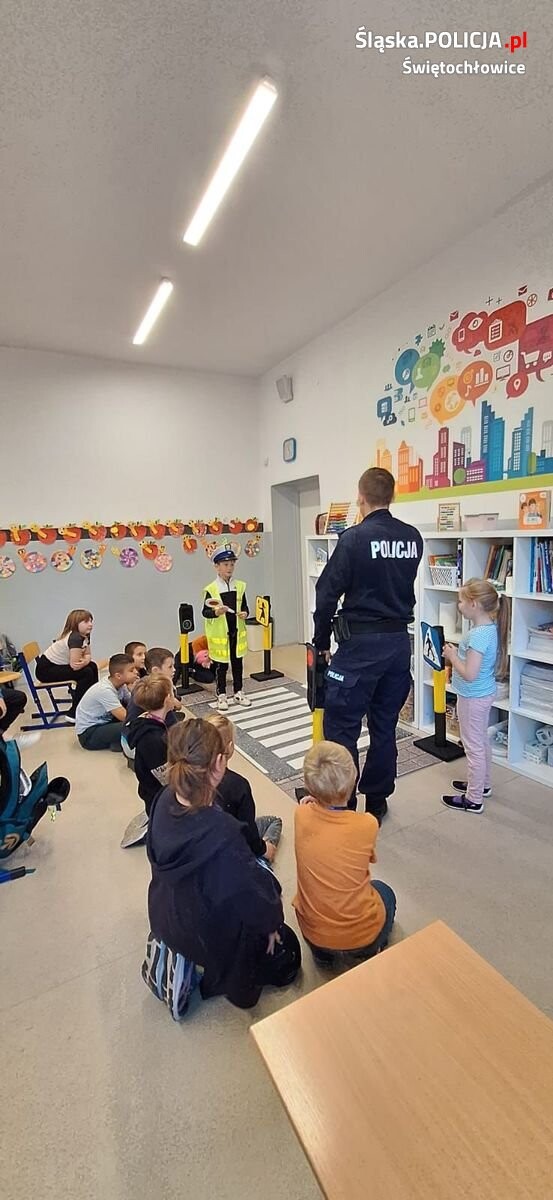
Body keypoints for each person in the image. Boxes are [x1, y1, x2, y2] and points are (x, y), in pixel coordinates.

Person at [146, 718, 301, 1009]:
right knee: (289, 954)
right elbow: (256, 900)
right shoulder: (224, 833)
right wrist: (272, 924)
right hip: (208, 934)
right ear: (220, 762)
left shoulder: (164, 799)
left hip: (166, 914)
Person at [313, 468, 423, 822]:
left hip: (359, 648)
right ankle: (377, 799)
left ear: (360, 497)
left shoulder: (354, 539)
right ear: (392, 496)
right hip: (397, 645)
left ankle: (343, 803)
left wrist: (320, 641)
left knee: (341, 725)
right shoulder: (413, 537)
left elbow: (326, 593)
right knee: (384, 725)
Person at [293, 741, 396, 967]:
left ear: (308, 786)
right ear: (354, 777)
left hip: (314, 934)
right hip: (361, 936)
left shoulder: (301, 815)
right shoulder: (367, 824)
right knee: (385, 891)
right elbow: (366, 859)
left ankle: (324, 956)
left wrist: (308, 805)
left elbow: (311, 815)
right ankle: (368, 950)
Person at [442, 578, 509, 813]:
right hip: (482, 694)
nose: (458, 605)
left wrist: (452, 656)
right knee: (480, 742)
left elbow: (469, 673)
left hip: (472, 696)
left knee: (473, 747)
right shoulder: (489, 629)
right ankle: (482, 785)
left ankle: (473, 799)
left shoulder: (477, 635)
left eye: (461, 601)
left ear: (474, 604)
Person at [206, 712, 282, 863]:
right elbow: (247, 833)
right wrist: (263, 849)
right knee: (274, 821)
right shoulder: (238, 785)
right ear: (230, 747)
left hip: (205, 849)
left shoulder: (188, 777)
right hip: (232, 855)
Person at [203, 546, 251, 712]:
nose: (229, 568)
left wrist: (245, 613)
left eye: (232, 564)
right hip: (220, 634)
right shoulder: (211, 589)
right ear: (216, 566)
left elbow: (245, 606)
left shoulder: (240, 586)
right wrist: (216, 612)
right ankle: (221, 694)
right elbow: (205, 612)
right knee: (221, 666)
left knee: (238, 664)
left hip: (236, 631)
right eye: (225, 564)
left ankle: (238, 692)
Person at [35, 610, 98, 721]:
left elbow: (87, 655)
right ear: (75, 624)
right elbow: (75, 665)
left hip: (56, 666)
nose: (90, 624)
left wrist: (86, 660)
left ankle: (93, 703)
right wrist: (86, 661)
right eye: (86, 622)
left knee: (92, 666)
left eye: (91, 621)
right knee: (86, 673)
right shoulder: (75, 638)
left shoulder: (85, 635)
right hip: (46, 670)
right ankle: (74, 713)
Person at [126, 675, 174, 815]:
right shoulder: (153, 739)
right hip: (160, 801)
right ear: (167, 699)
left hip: (154, 792)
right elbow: (166, 779)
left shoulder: (146, 722)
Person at [75, 653, 137, 750]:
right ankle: (120, 743)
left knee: (136, 721)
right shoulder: (105, 690)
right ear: (118, 676)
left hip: (105, 722)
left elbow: (133, 704)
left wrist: (134, 692)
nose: (136, 672)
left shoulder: (121, 684)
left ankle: (117, 742)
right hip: (89, 734)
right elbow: (125, 717)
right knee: (135, 726)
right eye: (131, 670)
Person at [125, 647, 183, 726]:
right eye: (170, 667)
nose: (174, 670)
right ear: (155, 670)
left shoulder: (153, 682)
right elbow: (174, 707)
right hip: (140, 727)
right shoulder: (152, 688)